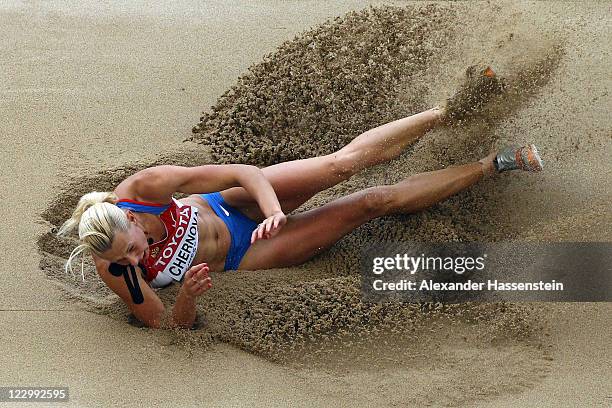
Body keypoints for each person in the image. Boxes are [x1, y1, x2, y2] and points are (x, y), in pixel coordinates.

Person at [58, 66, 543, 329]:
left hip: (236, 205)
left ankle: (451, 110)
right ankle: (495, 164)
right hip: (247, 254)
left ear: (127, 216)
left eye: (134, 244)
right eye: (128, 260)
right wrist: (185, 298)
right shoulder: (116, 269)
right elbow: (165, 325)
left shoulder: (144, 189)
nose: (136, 257)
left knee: (342, 166)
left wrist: (272, 210)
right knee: (369, 202)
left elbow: (243, 172)